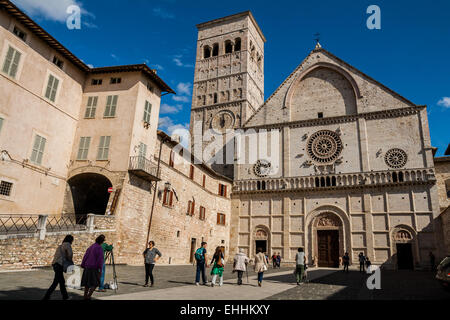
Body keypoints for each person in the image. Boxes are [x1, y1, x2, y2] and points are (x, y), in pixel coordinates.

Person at [43, 235, 74, 300]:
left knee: (60, 282)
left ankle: (64, 297)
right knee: (57, 282)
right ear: (71, 240)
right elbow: (70, 254)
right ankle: (47, 297)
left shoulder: (60, 245)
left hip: (55, 264)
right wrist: (70, 262)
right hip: (59, 265)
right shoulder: (68, 245)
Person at [81, 235, 105, 300]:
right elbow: (100, 260)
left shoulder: (91, 246)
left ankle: (85, 296)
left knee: (87, 283)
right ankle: (89, 296)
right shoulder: (99, 248)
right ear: (102, 242)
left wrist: (83, 264)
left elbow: (85, 256)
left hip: (87, 267)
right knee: (96, 283)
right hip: (94, 268)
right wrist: (100, 269)